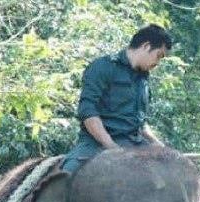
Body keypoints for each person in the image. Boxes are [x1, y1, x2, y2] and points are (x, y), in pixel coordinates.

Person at [60, 24, 172, 174]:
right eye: (159, 55)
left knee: (173, 175)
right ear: (146, 46)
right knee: (66, 177)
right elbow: (88, 112)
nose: (158, 63)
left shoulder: (143, 79)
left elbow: (141, 123)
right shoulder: (103, 67)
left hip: (135, 144)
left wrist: (159, 146)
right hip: (96, 144)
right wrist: (112, 147)